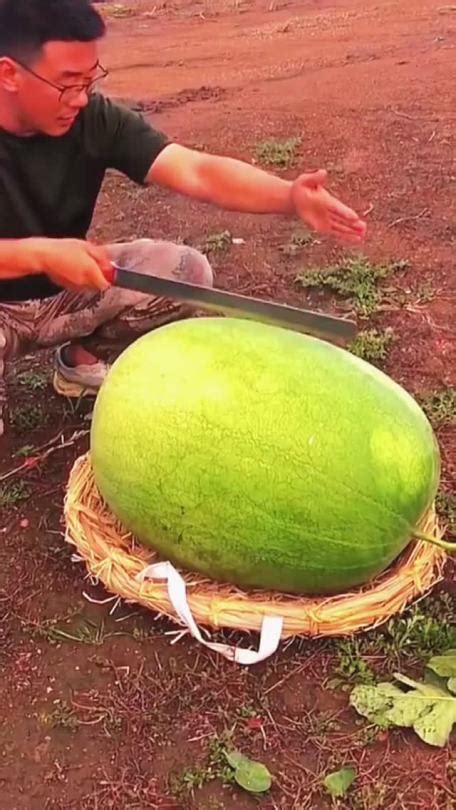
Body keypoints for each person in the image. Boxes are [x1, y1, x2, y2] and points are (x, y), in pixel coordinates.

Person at [0, 0, 366, 437]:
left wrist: (287, 195)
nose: (80, 97)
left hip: (66, 292)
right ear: (9, 74)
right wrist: (38, 254)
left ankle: (79, 363)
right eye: (66, 84)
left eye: (89, 78)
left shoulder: (92, 118)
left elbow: (195, 170)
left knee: (183, 271)